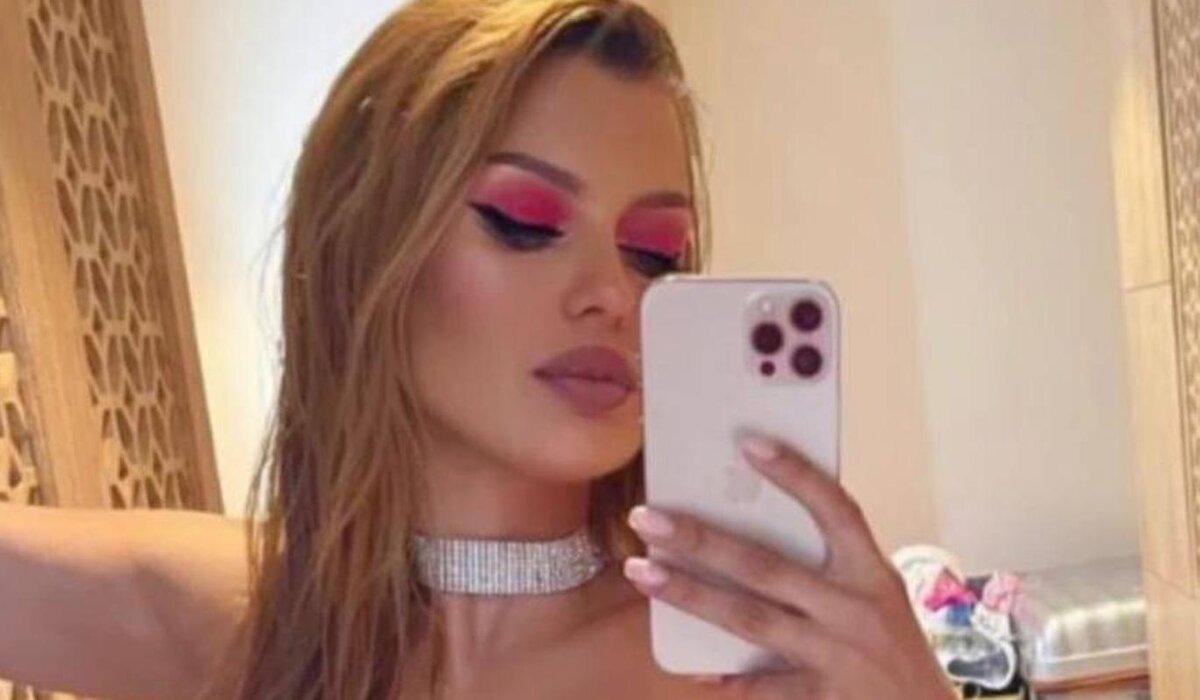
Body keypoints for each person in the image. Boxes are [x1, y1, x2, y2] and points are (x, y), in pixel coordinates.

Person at [0, 1, 958, 698]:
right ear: (369, 245)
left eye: (655, 252)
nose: (615, 295)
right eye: (524, 220)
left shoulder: (738, 672)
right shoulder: (249, 618)